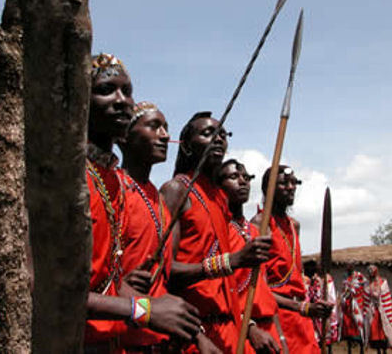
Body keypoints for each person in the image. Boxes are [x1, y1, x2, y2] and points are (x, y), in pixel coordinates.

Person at [85, 54, 202, 352]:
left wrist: (192, 330)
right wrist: (145, 310)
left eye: (128, 90)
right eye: (106, 89)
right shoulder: (69, 176)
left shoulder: (110, 181)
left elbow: (107, 281)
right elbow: (46, 286)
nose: (122, 100)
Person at [161, 112, 270, 353]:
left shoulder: (220, 199)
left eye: (222, 134)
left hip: (230, 329)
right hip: (194, 332)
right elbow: (166, 271)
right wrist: (234, 260)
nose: (218, 139)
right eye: (208, 133)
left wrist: (248, 326)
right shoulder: (176, 190)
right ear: (187, 146)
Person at [118, 101, 219, 352]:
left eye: (166, 128)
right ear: (124, 137)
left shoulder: (159, 201)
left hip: (158, 338)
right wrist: (119, 281)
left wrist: (198, 336)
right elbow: (94, 276)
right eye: (154, 126)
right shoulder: (114, 189)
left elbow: (165, 282)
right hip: (118, 337)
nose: (165, 135)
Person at [250, 166, 332, 354]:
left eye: (294, 183)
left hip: (301, 317)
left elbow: (297, 276)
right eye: (284, 183)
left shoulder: (294, 225)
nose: (291, 187)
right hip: (277, 317)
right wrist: (301, 307)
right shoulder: (260, 224)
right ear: (267, 188)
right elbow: (259, 287)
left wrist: (312, 306)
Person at [217, 159, 282, 353]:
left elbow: (264, 288)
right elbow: (218, 290)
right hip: (240, 329)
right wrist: (250, 328)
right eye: (234, 176)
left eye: (246, 177)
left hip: (268, 328)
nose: (243, 181)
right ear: (218, 183)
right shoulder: (218, 229)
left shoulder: (255, 231)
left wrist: (281, 336)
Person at [304, 261, 339, 352]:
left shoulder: (325, 279)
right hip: (312, 311)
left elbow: (329, 295)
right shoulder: (310, 281)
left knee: (323, 335)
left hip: (320, 310)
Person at [363, 265, 392, 353]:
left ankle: (384, 350)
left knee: (383, 331)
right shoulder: (367, 284)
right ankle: (378, 351)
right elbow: (366, 299)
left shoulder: (383, 283)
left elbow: (386, 297)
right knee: (374, 331)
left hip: (382, 311)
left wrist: (381, 305)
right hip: (372, 311)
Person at [339, 263, 366, 354]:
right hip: (347, 306)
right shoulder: (345, 279)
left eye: (350, 267)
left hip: (357, 305)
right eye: (347, 268)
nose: (348, 269)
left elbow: (362, 287)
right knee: (347, 325)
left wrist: (353, 291)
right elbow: (343, 290)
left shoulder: (358, 277)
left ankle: (361, 347)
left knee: (358, 323)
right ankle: (349, 347)